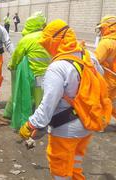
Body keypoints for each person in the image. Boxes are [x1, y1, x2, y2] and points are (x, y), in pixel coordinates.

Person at [19, 19, 105, 179]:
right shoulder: (88, 55)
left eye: (47, 43)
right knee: (75, 163)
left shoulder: (58, 67)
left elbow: (48, 103)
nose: (46, 48)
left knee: (60, 169)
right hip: (88, 122)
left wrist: (32, 124)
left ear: (55, 41)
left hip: (66, 128)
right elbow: (101, 79)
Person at [4, 12, 50, 129]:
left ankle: (29, 124)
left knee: (27, 99)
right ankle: (43, 123)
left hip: (33, 75)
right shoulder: (49, 36)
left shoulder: (27, 39)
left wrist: (12, 66)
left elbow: (17, 56)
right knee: (44, 101)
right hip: (50, 74)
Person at [95, 15, 116, 117]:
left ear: (107, 27)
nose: (101, 31)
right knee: (113, 102)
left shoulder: (106, 43)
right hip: (114, 77)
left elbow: (96, 60)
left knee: (102, 101)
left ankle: (101, 123)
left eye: (102, 28)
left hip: (107, 79)